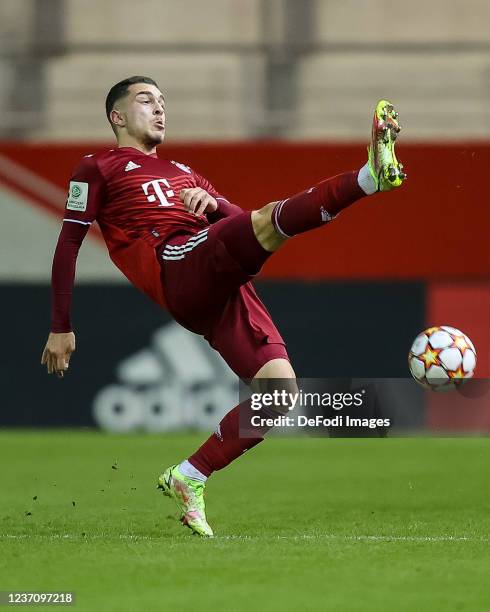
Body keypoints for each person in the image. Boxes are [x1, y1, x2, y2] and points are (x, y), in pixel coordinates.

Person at [41, 76, 405, 537]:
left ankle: (190, 475)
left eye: (163, 102)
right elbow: (68, 241)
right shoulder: (97, 167)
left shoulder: (185, 173)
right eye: (146, 100)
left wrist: (211, 203)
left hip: (216, 282)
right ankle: (368, 178)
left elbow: (239, 220)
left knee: (279, 393)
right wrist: (60, 325)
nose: (159, 109)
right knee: (269, 223)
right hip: (174, 262)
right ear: (117, 116)